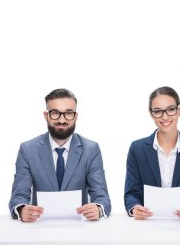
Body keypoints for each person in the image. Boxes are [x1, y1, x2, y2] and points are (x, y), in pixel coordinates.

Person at [9, 88, 111, 222]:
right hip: (39, 227)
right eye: (55, 113)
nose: (62, 120)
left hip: (80, 228)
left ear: (76, 116)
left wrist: (98, 208)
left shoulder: (91, 149)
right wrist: (21, 209)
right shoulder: (28, 150)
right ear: (46, 115)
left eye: (68, 113)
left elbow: (102, 197)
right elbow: (18, 196)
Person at [124, 86, 180, 220]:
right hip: (148, 224)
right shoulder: (137, 149)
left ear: (179, 110)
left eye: (170, 109)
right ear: (151, 113)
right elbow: (131, 193)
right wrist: (135, 208)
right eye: (157, 111)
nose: (165, 117)